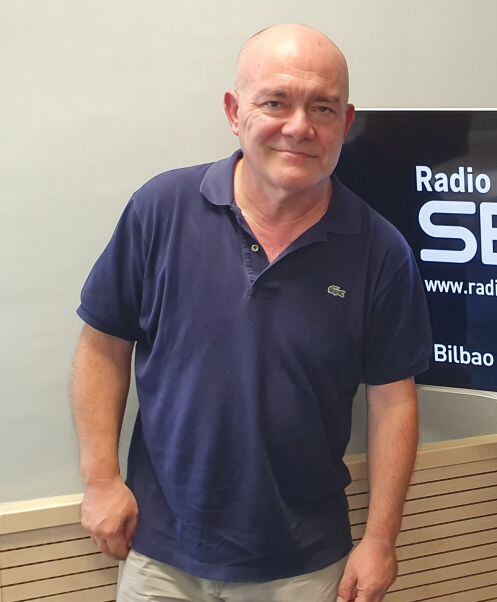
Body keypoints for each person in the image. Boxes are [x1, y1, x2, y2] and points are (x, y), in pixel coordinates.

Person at [71, 24, 431, 602]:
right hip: (160, 554)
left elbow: (394, 400)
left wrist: (381, 539)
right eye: (275, 102)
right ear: (234, 111)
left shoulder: (380, 251)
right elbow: (101, 347)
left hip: (304, 565)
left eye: (322, 107)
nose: (299, 126)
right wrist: (100, 480)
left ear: (346, 122)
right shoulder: (159, 210)